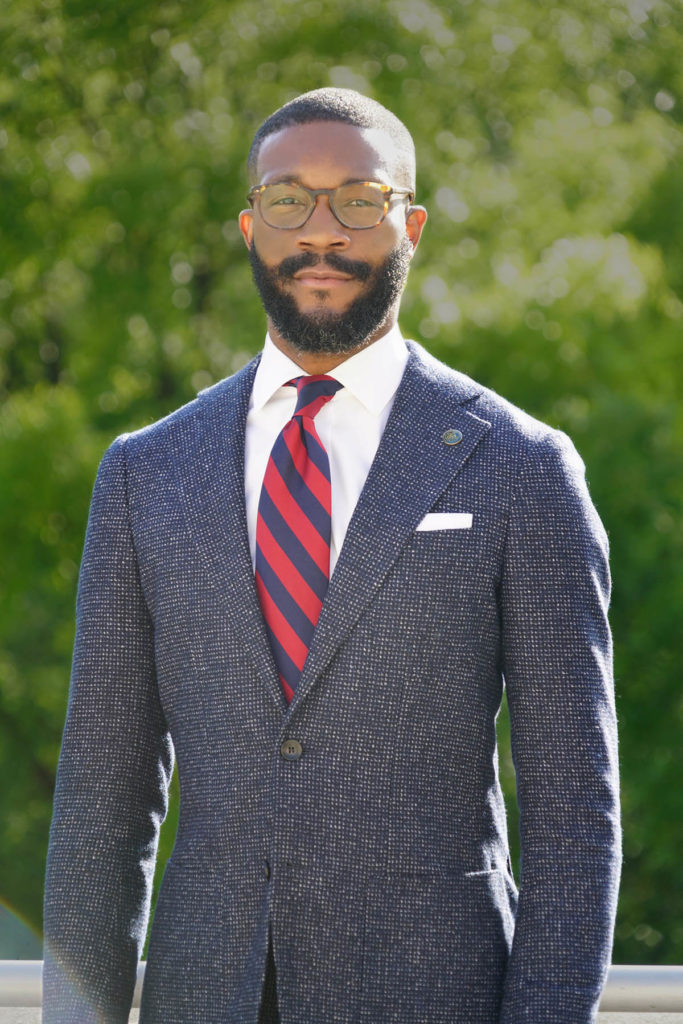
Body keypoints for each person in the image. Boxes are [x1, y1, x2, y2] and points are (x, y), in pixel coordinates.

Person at [43, 87, 621, 1024]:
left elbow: (573, 814)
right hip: (204, 997)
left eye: (359, 198)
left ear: (411, 225)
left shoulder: (519, 467)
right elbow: (101, 807)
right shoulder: (145, 473)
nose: (321, 231)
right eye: (287, 200)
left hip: (436, 997)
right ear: (248, 227)